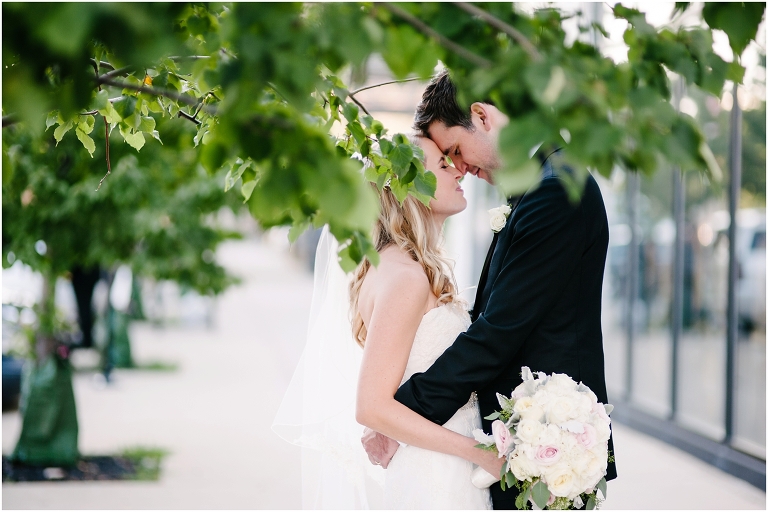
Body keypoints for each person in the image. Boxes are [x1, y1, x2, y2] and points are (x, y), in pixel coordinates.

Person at [363, 69, 618, 510]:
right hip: (515, 451)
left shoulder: (557, 191)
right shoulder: (542, 185)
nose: (460, 167)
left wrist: (396, 417)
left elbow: (498, 333)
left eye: (455, 151)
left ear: (481, 115)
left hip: (549, 452)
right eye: (448, 160)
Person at [274, 133, 502, 509]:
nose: (458, 170)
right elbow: (372, 407)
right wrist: (477, 452)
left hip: (442, 464)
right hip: (438, 475)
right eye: (444, 165)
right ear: (410, 189)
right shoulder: (405, 278)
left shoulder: (401, 267)